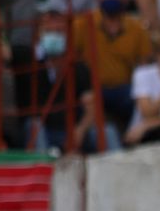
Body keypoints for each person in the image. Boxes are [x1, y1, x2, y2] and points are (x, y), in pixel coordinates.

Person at [15, 8, 119, 154]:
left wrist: (80, 130)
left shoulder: (78, 66)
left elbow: (92, 106)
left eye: (59, 31)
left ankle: (120, 171)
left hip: (71, 130)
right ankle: (41, 170)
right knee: (35, 126)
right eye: (49, 31)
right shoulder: (24, 57)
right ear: (38, 33)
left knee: (107, 131)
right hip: (42, 131)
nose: (55, 35)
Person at [68, 0, 156, 129]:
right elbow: (72, 60)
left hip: (124, 90)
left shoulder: (137, 28)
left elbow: (145, 65)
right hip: (92, 88)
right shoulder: (82, 24)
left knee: (139, 98)